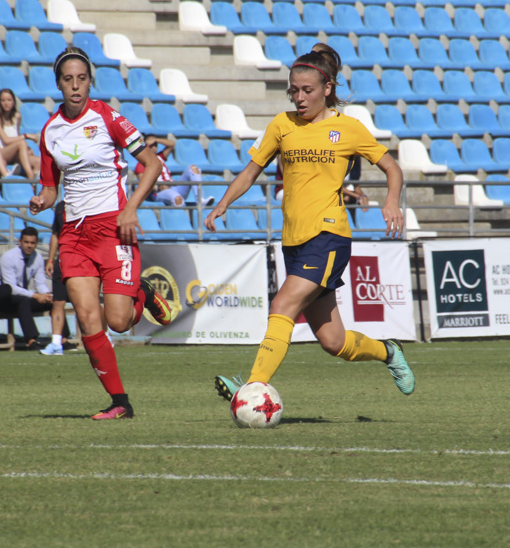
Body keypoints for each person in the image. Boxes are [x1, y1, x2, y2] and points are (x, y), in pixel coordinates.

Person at [203, 50, 415, 403]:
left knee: (282, 304)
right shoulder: (281, 125)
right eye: (293, 91)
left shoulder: (348, 128)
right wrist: (224, 202)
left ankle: (252, 386)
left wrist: (391, 202)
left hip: (329, 236)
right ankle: (389, 352)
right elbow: (251, 171)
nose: (299, 98)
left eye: (307, 90)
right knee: (334, 342)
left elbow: (392, 168)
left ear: (327, 88)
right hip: (294, 241)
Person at [29, 46, 174, 419]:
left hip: (113, 228)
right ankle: (120, 403)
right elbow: (50, 188)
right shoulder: (50, 131)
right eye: (68, 80)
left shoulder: (108, 117)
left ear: (90, 81)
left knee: (119, 322)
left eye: (82, 79)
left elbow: (152, 164)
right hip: (74, 235)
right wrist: (41, 201)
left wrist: (130, 209)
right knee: (88, 321)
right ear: (58, 84)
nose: (75, 86)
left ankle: (141, 291)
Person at [0, 226, 53, 351]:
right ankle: (32, 341)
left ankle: (62, 339)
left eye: (32, 243)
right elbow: (11, 288)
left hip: (23, 297)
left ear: (37, 243)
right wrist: (36, 295)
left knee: (54, 302)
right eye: (26, 242)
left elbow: (40, 283)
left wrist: (46, 295)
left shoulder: (37, 258)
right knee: (23, 301)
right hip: (3, 299)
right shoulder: (9, 257)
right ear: (20, 242)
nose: (29, 246)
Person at [134, 135, 213, 207]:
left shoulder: (160, 157)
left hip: (174, 187)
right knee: (178, 199)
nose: (154, 148)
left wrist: (156, 140)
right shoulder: (141, 163)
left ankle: (200, 199)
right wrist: (157, 186)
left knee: (192, 168)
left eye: (155, 145)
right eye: (151, 146)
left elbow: (171, 144)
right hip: (160, 192)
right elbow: (143, 184)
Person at [40, 198, 74, 356]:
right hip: (63, 260)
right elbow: (55, 234)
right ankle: (56, 343)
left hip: (82, 260)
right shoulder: (60, 206)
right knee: (58, 302)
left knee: (89, 301)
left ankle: (105, 336)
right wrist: (51, 259)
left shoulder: (87, 202)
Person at [0, 88, 39, 180]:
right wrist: (26, 136)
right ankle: (30, 177)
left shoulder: (17, 116)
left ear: (13, 102)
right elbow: (6, 140)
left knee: (38, 161)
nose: (6, 103)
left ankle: (33, 188)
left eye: (9, 100)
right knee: (22, 143)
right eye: (3, 100)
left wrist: (25, 149)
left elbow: (16, 137)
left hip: (12, 153)